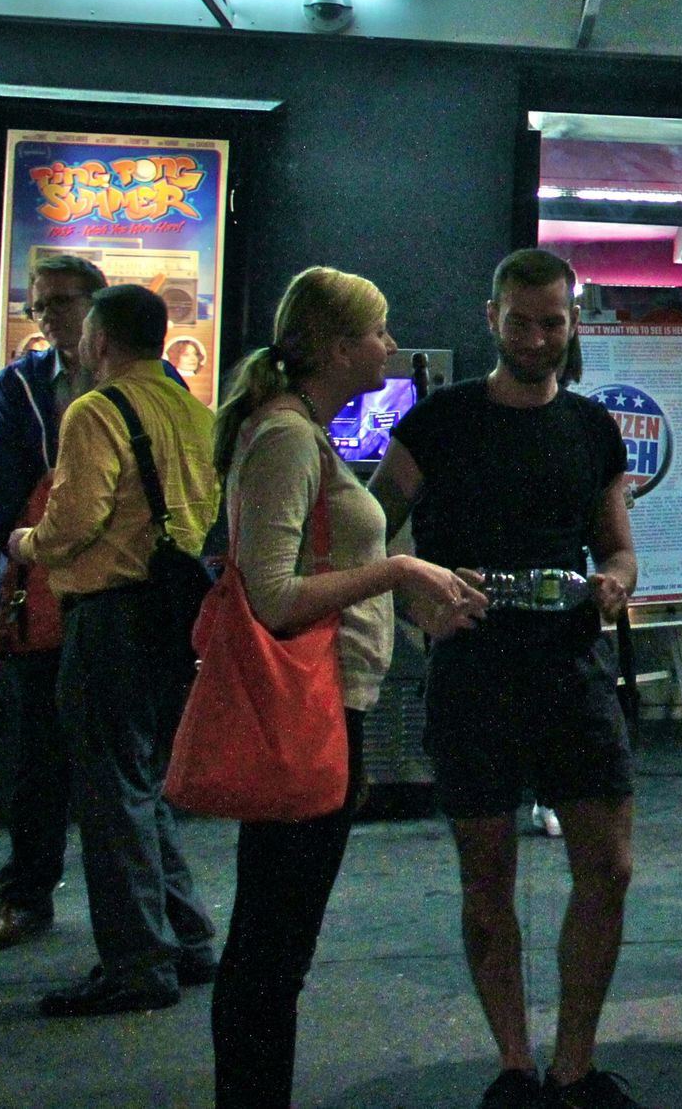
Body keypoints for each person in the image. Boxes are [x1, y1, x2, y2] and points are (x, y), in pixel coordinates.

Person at [372, 249, 647, 1109]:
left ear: (573, 322)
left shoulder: (593, 426)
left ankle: (574, 1063)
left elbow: (618, 544)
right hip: (474, 668)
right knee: (486, 874)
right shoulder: (439, 422)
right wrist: (410, 589)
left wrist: (618, 580)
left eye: (554, 322)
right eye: (522, 320)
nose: (538, 337)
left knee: (608, 866)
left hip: (571, 664)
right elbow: (368, 527)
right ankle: (514, 1066)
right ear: (491, 316)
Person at [208, 267, 486, 1109]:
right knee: (274, 942)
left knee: (275, 935)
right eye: (379, 331)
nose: (391, 346)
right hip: (310, 705)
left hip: (331, 699)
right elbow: (273, 594)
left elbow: (317, 569)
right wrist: (399, 566)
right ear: (337, 346)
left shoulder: (298, 432)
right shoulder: (290, 438)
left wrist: (410, 597)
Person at [11, 283, 221, 1014]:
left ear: (101, 341)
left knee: (108, 791)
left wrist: (24, 542)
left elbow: (74, 521)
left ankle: (137, 964)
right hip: (175, 618)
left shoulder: (95, 410)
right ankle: (188, 937)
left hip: (110, 617)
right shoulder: (196, 413)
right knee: (145, 782)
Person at [0, 251, 108, 957]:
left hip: (118, 594)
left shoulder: (141, 380)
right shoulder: (19, 386)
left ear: (96, 302)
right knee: (40, 756)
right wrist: (35, 545)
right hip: (47, 590)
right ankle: (25, 894)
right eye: (41, 304)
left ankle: (141, 917)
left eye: (63, 301)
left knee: (121, 758)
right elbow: (1, 492)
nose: (51, 316)